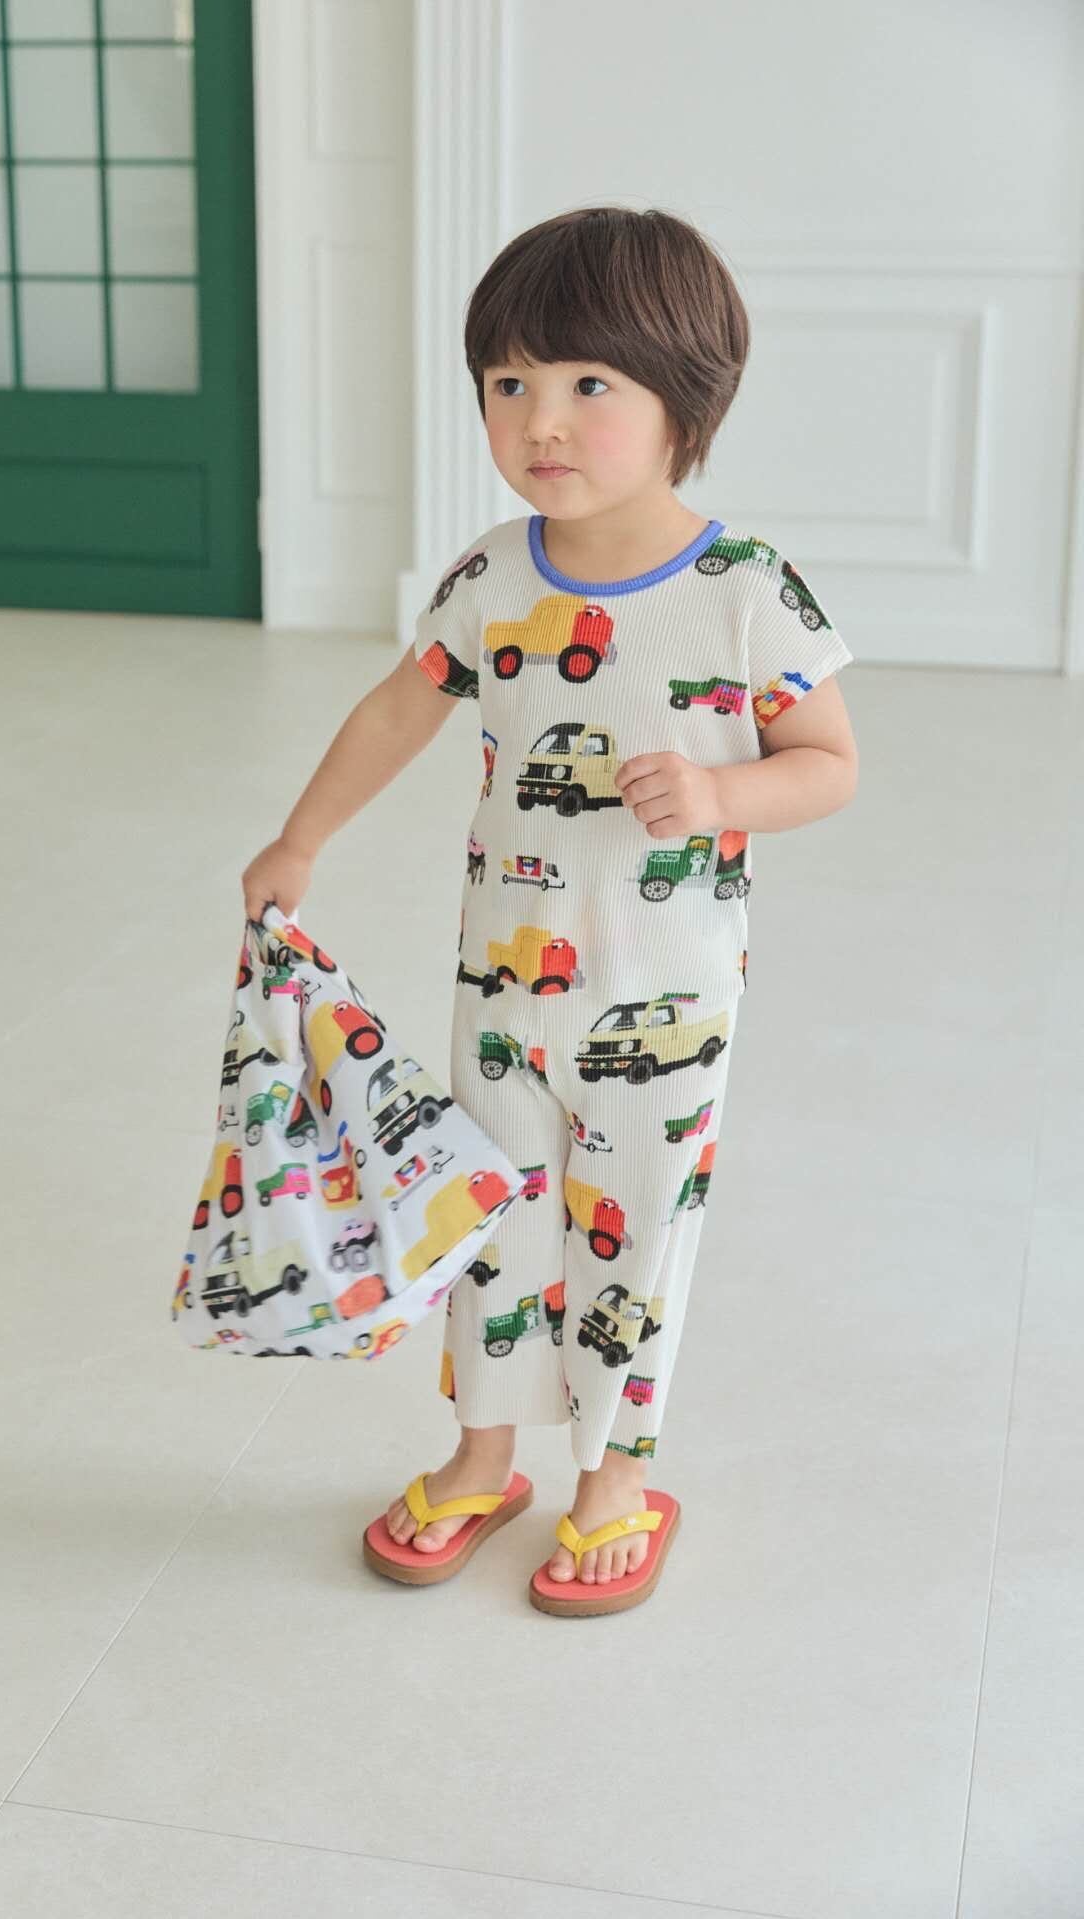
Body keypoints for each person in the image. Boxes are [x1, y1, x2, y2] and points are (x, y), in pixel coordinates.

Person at [241, 205, 859, 1605]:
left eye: (589, 383)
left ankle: (615, 1477)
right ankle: (482, 1457)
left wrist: (719, 795)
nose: (542, 421)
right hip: (506, 985)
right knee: (500, 1219)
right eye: (508, 383)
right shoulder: (492, 575)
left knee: (634, 1226)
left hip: (667, 993)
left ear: (687, 401)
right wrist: (300, 838)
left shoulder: (746, 592)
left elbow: (828, 764)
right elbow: (397, 712)